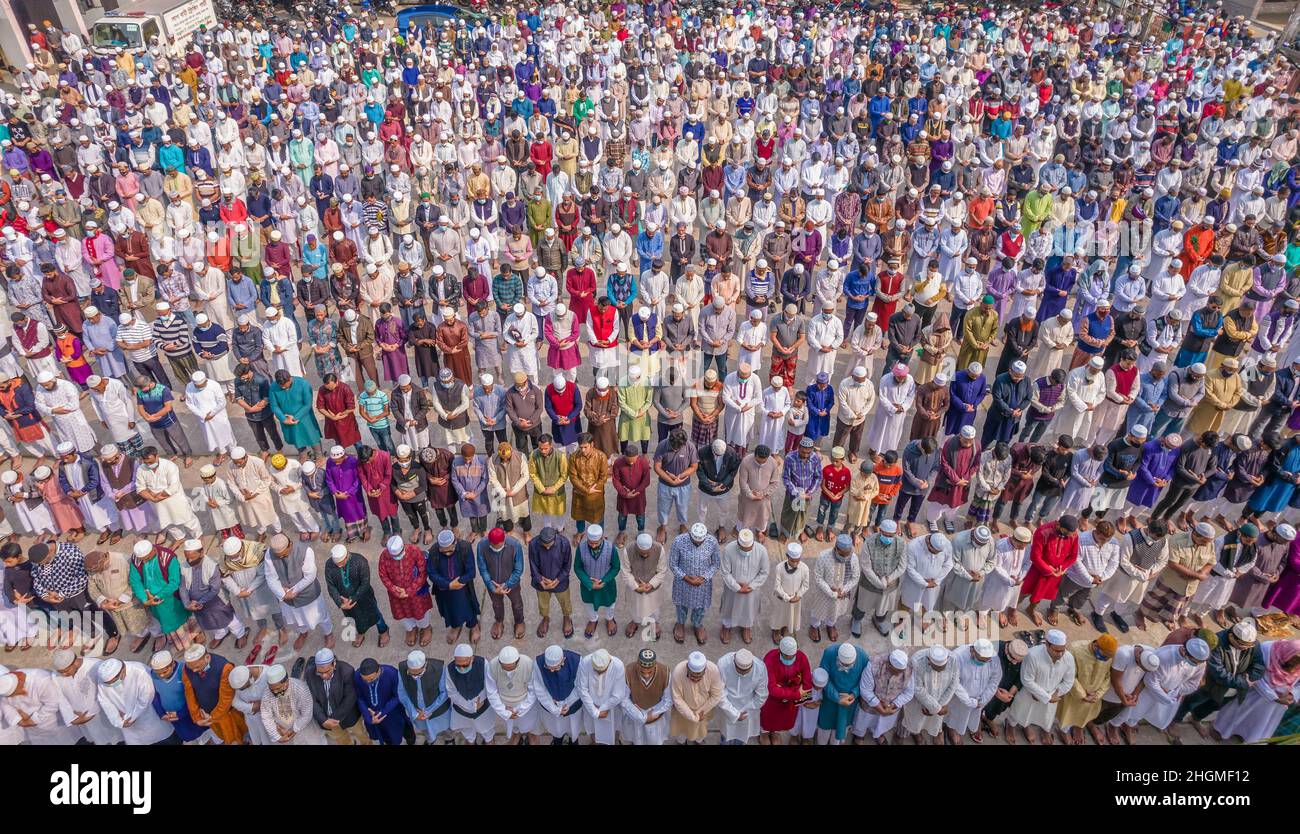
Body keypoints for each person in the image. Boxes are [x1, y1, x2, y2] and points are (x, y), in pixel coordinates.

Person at [263, 532, 334, 652]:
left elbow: (310, 576)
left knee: (320, 616)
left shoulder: (306, 551)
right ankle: (303, 633)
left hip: (308, 594)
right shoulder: (270, 554)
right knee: (296, 619)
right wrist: (282, 593)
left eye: (283, 555)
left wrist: (293, 591)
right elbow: (270, 577)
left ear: (290, 545)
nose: (280, 558)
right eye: (278, 556)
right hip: (286, 597)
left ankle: (329, 634)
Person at [1005, 629, 1077, 744]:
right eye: (1057, 650)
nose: (1060, 654)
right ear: (1047, 645)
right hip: (1029, 693)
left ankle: (1031, 727)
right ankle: (1010, 726)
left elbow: (1069, 681)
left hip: (1053, 696)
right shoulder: (1033, 654)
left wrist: (1056, 693)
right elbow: (1027, 680)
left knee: (1046, 716)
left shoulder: (1068, 658)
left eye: (1063, 650)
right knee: (1020, 711)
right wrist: (1044, 696)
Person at [1056, 635, 1119, 745]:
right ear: (1095, 646)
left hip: (1094, 695)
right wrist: (1082, 694)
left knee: (1085, 714)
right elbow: (1069, 675)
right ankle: (1064, 731)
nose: (1105, 660)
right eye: (1104, 657)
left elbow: (1108, 677)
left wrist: (1097, 695)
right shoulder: (1075, 649)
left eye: (1107, 658)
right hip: (1074, 692)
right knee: (1068, 714)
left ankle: (1079, 727)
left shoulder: (1109, 655)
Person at [324, 545, 389, 649]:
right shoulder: (329, 565)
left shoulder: (360, 561)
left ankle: (383, 630)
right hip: (345, 602)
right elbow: (331, 586)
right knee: (355, 618)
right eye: (337, 564)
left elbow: (365, 583)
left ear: (346, 556)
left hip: (364, 597)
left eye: (341, 563)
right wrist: (340, 603)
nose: (339, 566)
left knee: (375, 615)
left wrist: (352, 599)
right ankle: (361, 633)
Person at [899, 645, 959, 745]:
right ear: (928, 660)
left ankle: (937, 733)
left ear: (947, 659)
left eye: (942, 668)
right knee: (916, 720)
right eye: (936, 668)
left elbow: (954, 682)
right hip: (919, 701)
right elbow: (917, 688)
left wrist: (938, 707)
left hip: (941, 701)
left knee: (935, 722)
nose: (939, 671)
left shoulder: (953, 659)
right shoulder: (917, 660)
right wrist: (936, 709)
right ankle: (916, 733)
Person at [476, 527, 526, 641]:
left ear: (504, 540)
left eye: (498, 546)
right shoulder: (482, 546)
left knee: (517, 603)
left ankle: (519, 621)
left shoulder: (514, 545)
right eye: (493, 546)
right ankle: (499, 621)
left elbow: (519, 569)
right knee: (496, 604)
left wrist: (507, 584)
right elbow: (482, 568)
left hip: (511, 584)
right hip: (493, 585)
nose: (495, 548)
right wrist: (491, 586)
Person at [397, 649, 451, 745]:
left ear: (425, 665)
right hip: (416, 711)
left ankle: (449, 739)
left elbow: (444, 693)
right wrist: (415, 713)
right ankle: (430, 740)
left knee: (445, 728)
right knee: (424, 729)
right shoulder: (402, 669)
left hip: (438, 710)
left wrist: (428, 711)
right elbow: (402, 693)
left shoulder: (439, 669)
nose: (414, 676)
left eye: (418, 673)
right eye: (411, 673)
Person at [669, 650, 723, 744]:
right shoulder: (678, 672)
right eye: (692, 676)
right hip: (683, 710)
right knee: (681, 730)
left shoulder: (713, 670)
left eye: (699, 677)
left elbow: (716, 695)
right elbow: (677, 699)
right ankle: (681, 742)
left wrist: (699, 713)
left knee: (701, 730)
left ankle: (699, 741)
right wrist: (693, 717)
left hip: (704, 709)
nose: (695, 680)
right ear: (687, 668)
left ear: (705, 670)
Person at [577, 648, 628, 745]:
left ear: (609, 663)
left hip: (612, 706)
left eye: (602, 671)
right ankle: (594, 742)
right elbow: (582, 689)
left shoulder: (618, 665)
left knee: (614, 727)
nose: (599, 673)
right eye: (596, 670)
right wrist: (594, 711)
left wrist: (603, 708)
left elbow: (619, 693)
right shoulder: (586, 662)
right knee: (593, 727)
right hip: (591, 705)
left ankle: (615, 742)